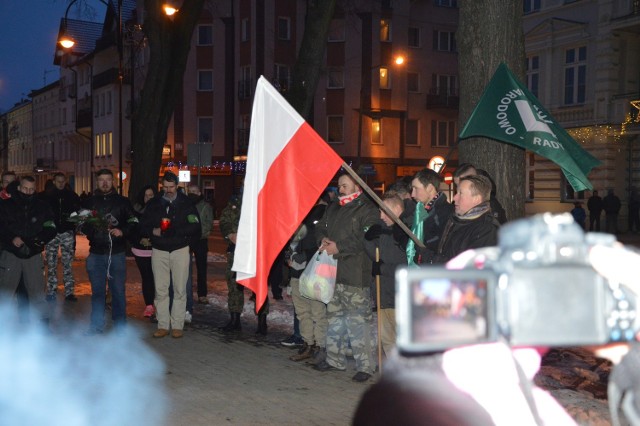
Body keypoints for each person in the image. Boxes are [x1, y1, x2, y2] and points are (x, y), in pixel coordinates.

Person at [314, 173, 379, 382]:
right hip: (333, 274)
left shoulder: (367, 210)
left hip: (355, 275)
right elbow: (319, 227)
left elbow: (366, 239)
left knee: (358, 322)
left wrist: (338, 248)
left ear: (357, 186)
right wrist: (322, 239)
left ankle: (365, 366)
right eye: (339, 185)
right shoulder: (334, 208)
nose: (340, 189)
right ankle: (334, 360)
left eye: (345, 185)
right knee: (334, 319)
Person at [141, 172, 201, 339]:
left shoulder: (186, 203)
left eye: (171, 187)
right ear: (162, 186)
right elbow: (142, 224)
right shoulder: (154, 203)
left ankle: (177, 324)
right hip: (159, 250)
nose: (168, 190)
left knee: (180, 289)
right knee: (160, 290)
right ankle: (162, 324)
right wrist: (153, 231)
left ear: (177, 185)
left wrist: (177, 231)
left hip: (180, 249)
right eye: (165, 187)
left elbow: (196, 226)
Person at [82, 169, 138, 334]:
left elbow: (133, 221)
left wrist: (123, 230)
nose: (105, 183)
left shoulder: (122, 202)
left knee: (118, 291)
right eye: (101, 180)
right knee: (97, 292)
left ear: (113, 181)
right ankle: (96, 325)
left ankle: (120, 326)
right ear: (97, 182)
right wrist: (94, 229)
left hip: (117, 253)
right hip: (96, 253)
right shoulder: (89, 202)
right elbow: (82, 224)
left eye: (108, 180)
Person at [0, 176, 57, 323]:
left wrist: (37, 241)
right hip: (11, 253)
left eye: (32, 189)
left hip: (33, 253)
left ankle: (43, 326)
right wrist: (12, 238)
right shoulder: (6, 205)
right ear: (19, 188)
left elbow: (50, 227)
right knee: (6, 291)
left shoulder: (42, 206)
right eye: (25, 188)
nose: (28, 191)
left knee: (37, 292)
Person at [363, 193, 408, 358]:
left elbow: (406, 265)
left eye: (384, 211)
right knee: (387, 339)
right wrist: (368, 240)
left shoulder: (406, 232)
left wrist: (383, 269)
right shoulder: (383, 229)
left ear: (396, 209)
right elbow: (373, 255)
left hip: (399, 298)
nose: (380, 216)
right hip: (383, 294)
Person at [288, 198, 329, 363]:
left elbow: (319, 246)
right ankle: (308, 344)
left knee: (317, 312)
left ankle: (319, 347)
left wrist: (299, 257)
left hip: (314, 274)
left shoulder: (323, 214)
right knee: (302, 312)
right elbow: (293, 242)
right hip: (297, 273)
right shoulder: (301, 215)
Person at [433, 175, 499, 264]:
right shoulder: (456, 221)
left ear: (476, 199)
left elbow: (470, 269)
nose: (454, 198)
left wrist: (432, 260)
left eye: (460, 193)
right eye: (456, 192)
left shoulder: (486, 230)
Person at [42, 172, 81, 302]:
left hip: (67, 232)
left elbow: (78, 213)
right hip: (52, 233)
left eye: (62, 181)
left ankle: (69, 292)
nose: (60, 183)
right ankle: (51, 290)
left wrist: (72, 222)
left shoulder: (72, 196)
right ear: (54, 181)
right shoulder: (46, 196)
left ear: (65, 182)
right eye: (58, 181)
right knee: (51, 263)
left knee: (67, 263)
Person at [408, 168, 455, 265]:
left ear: (429, 188)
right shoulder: (420, 211)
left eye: (416, 188)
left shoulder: (444, 213)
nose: (412, 194)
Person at [131, 185, 158, 318]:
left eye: (151, 195)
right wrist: (140, 239)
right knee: (147, 277)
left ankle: (159, 304)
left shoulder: (159, 209)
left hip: (156, 249)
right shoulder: (135, 210)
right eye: (146, 195)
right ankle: (149, 305)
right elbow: (132, 229)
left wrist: (152, 239)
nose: (148, 198)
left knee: (158, 278)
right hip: (140, 249)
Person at [187, 183, 213, 304]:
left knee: (201, 269)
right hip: (187, 240)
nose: (192, 193)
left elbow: (209, 223)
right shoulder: (184, 205)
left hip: (201, 241)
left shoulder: (205, 206)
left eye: (194, 191)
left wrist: (201, 234)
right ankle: (185, 292)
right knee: (184, 269)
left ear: (199, 193)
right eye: (190, 190)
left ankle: (202, 294)